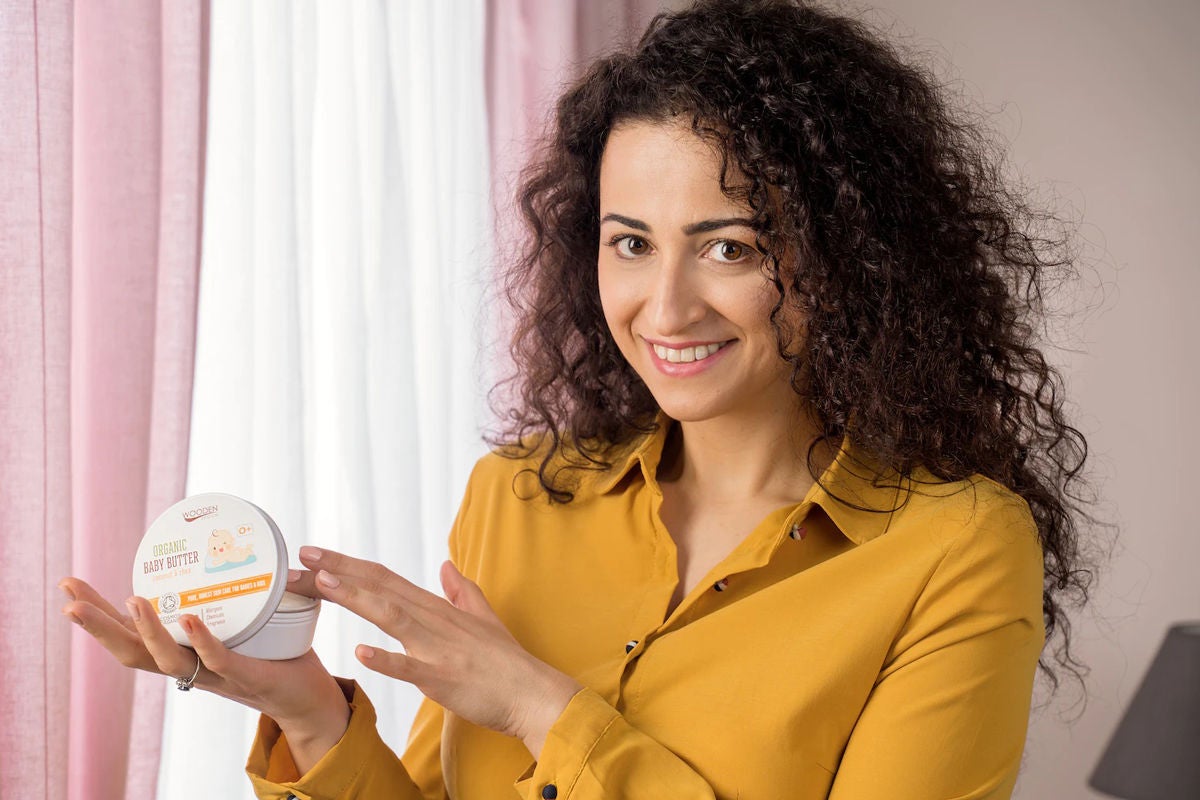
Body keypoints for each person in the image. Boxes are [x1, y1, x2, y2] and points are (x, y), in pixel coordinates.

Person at [60, 0, 1095, 797]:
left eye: (730, 247)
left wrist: (538, 704)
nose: (665, 306)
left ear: (848, 257)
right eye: (630, 242)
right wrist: (311, 716)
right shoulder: (516, 499)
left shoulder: (956, 548)